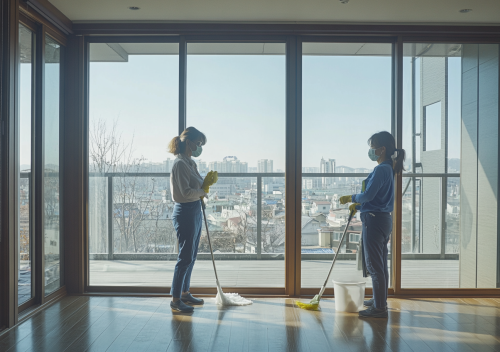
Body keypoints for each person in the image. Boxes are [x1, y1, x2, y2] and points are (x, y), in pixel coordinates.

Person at [339, 131, 405, 318]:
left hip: (374, 221)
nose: (371, 151)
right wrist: (359, 204)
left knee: (374, 265)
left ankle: (379, 308)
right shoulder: (388, 168)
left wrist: (351, 198)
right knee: (381, 263)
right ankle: (379, 300)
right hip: (383, 219)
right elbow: (377, 196)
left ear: (382, 149)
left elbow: (368, 196)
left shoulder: (381, 169)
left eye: (372, 147)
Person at [168, 126, 207, 313]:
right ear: (189, 142)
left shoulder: (190, 163)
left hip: (195, 210)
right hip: (185, 211)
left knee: (191, 256)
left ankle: (185, 292)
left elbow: (198, 184)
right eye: (198, 143)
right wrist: (203, 192)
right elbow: (184, 193)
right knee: (184, 257)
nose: (199, 147)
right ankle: (175, 300)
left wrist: (205, 185)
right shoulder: (180, 165)